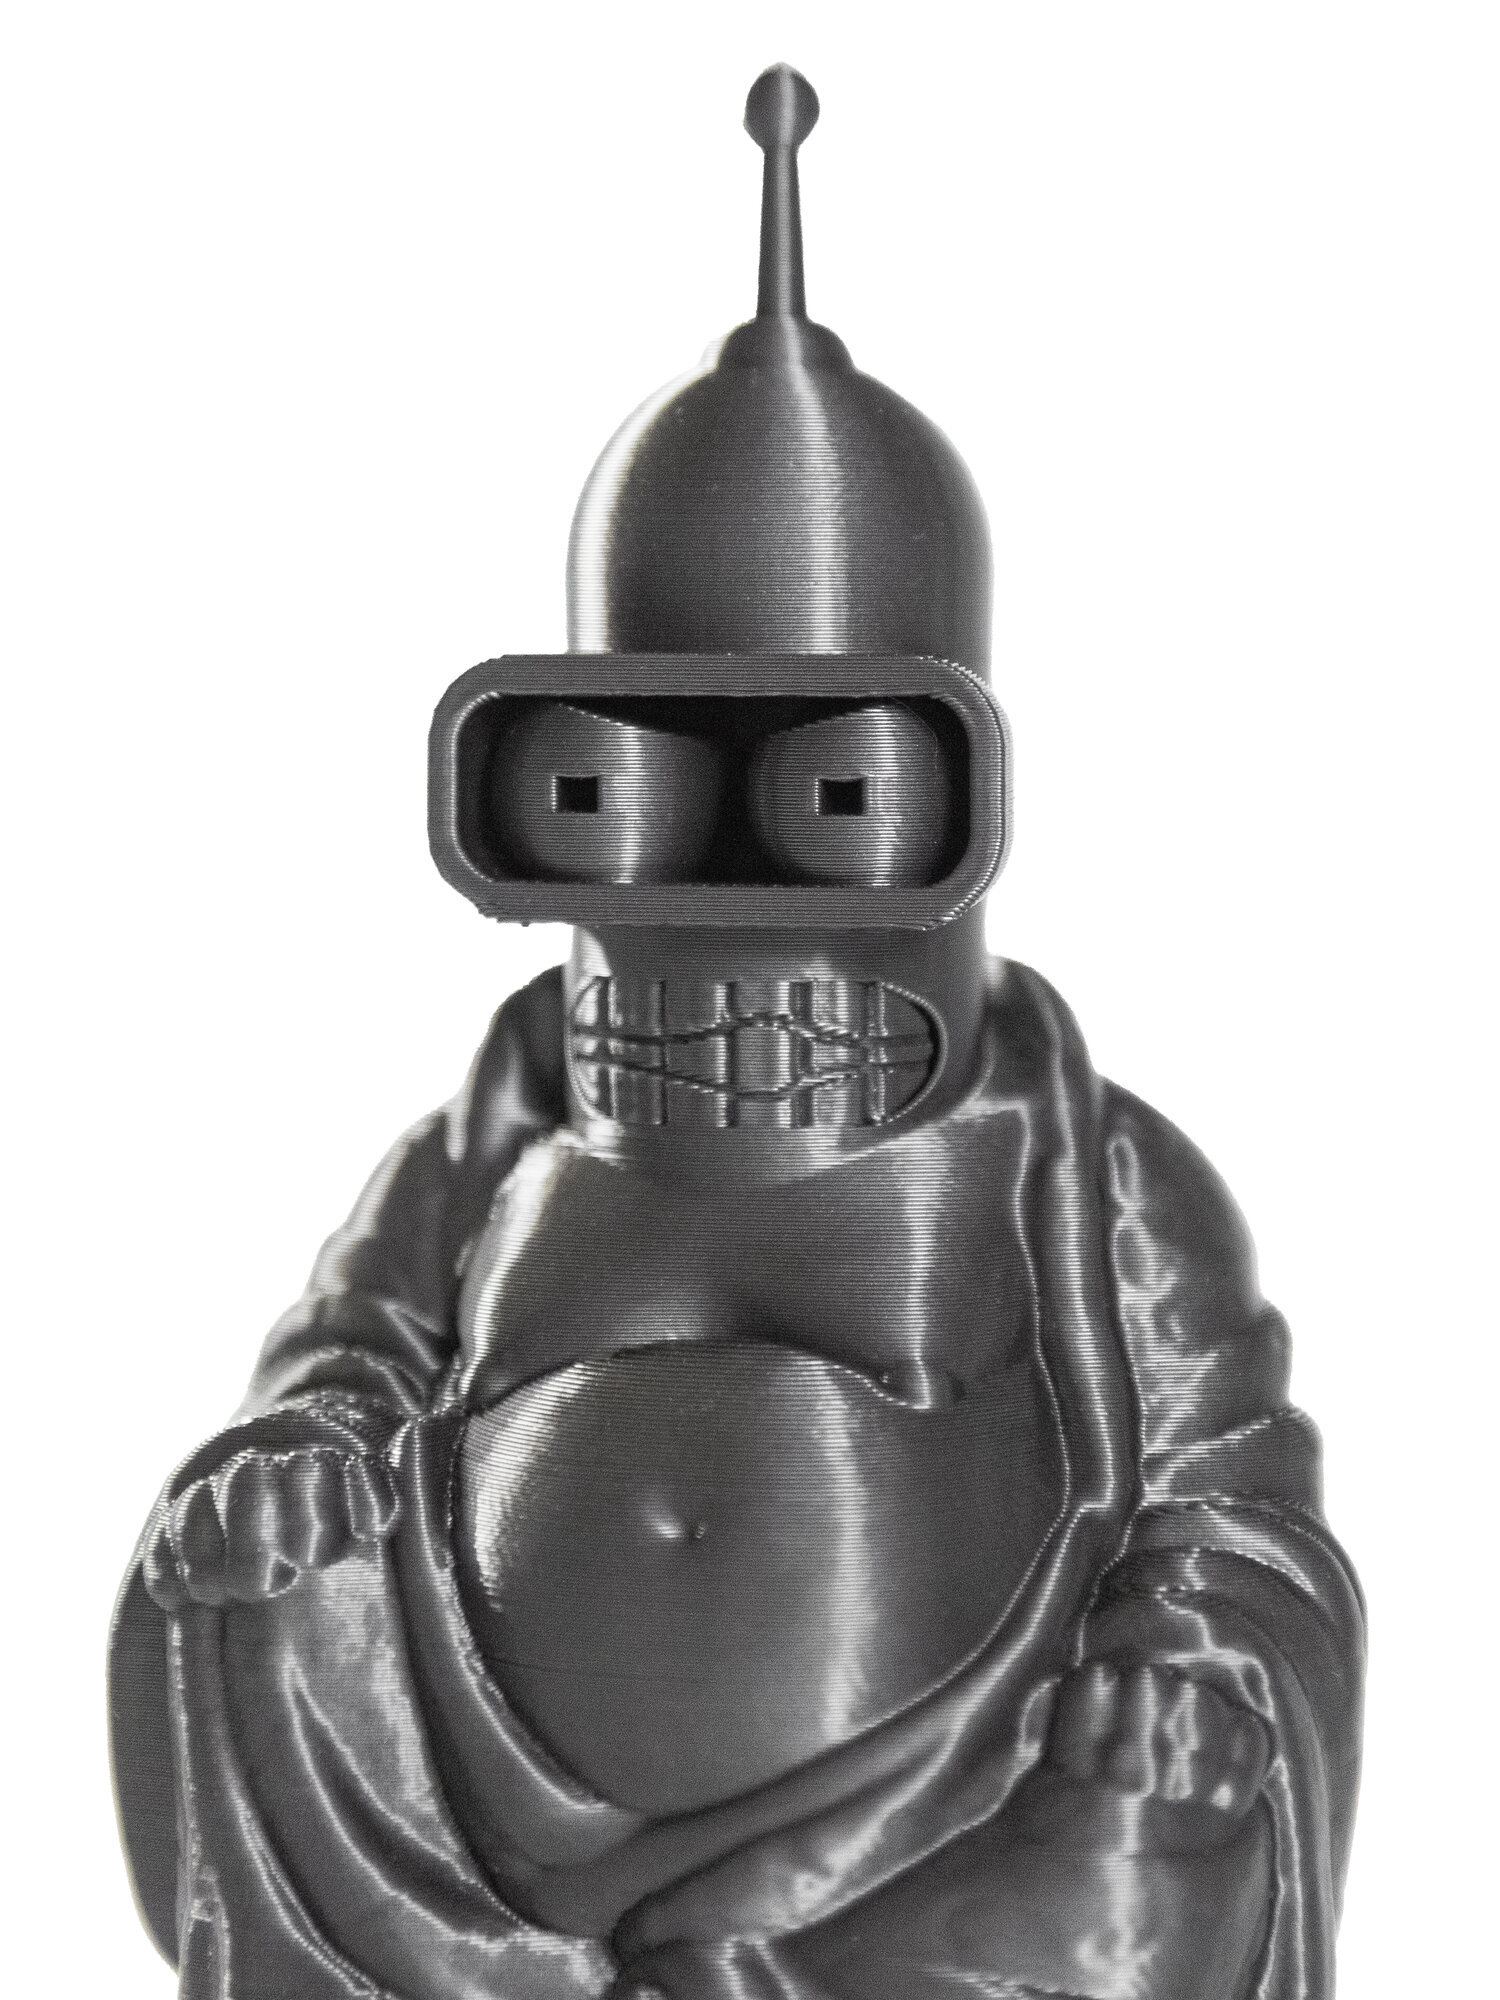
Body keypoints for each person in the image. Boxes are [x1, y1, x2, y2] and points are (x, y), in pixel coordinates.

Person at [111, 66, 1363, 2000]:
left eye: (835, 788)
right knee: (252, 1597)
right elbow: (341, 1362)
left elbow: (1228, 1491)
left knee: (1133, 1862)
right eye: (619, 785)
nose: (726, 862)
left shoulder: (1091, 1168)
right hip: (471, 1876)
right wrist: (286, 1473)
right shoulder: (491, 1136)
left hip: (950, 1855)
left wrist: (1184, 1674)